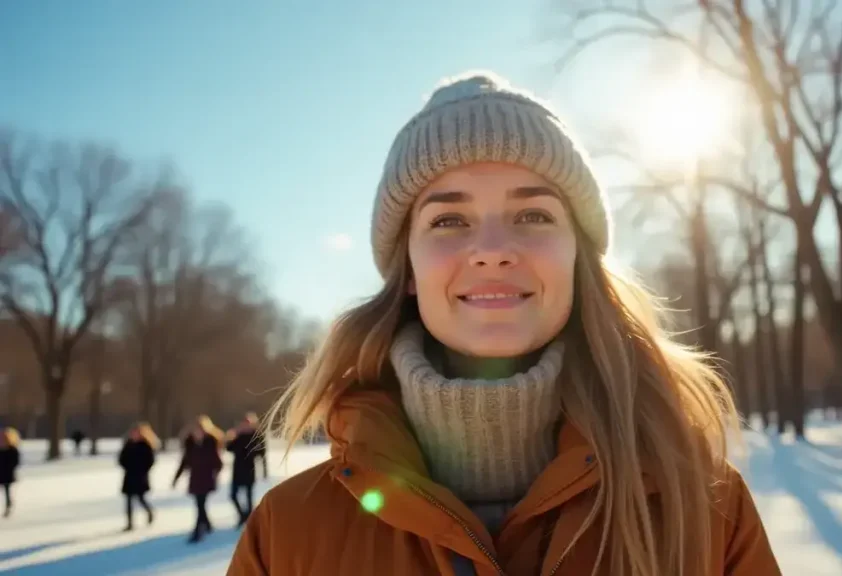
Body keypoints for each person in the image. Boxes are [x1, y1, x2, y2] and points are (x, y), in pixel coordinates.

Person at [228, 71, 780, 575]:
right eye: (448, 219)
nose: (492, 250)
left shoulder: (704, 505)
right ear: (409, 270)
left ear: (577, 256)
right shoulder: (288, 531)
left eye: (533, 215)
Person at [173, 415, 224, 543]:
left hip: (206, 478)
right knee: (200, 504)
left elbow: (218, 462)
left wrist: (216, 474)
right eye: (196, 429)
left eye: (200, 429)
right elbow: (184, 462)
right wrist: (176, 478)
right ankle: (207, 525)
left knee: (200, 504)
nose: (198, 432)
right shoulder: (190, 444)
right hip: (195, 479)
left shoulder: (211, 443)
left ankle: (197, 532)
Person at [225, 412, 267, 527]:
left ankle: (249, 519)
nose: (246, 425)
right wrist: (231, 436)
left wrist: (264, 471)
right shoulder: (238, 435)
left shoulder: (257, 435)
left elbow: (262, 454)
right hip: (237, 469)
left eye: (249, 422)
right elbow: (228, 448)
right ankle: (242, 516)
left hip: (250, 469)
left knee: (249, 496)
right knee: (233, 495)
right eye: (245, 422)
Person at [118, 422, 159, 531]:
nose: (134, 435)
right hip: (129, 476)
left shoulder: (145, 445)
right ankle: (130, 523)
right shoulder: (128, 444)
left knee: (141, 499)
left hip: (140, 476)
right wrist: (127, 466)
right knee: (128, 500)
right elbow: (121, 459)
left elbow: (150, 461)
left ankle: (149, 512)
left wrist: (143, 470)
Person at [0, 427, 20, 518]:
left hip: (7, 474)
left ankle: (8, 505)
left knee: (7, 491)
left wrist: (10, 469)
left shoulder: (12, 450)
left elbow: (15, 462)